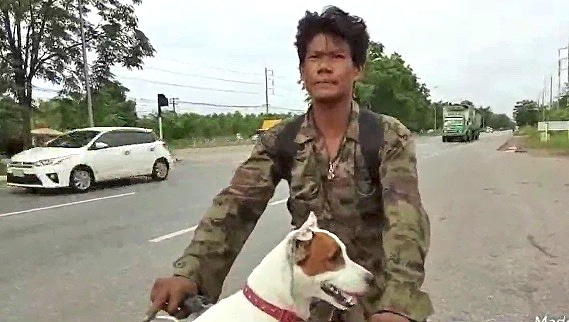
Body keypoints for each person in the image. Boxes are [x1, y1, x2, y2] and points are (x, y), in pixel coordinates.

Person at [149, 6, 433, 322]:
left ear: (357, 69)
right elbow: (235, 208)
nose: (325, 67)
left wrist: (398, 305)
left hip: (372, 302)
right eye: (315, 58)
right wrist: (190, 272)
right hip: (305, 308)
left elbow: (406, 225)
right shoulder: (281, 139)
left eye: (337, 57)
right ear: (302, 71)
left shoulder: (386, 136)